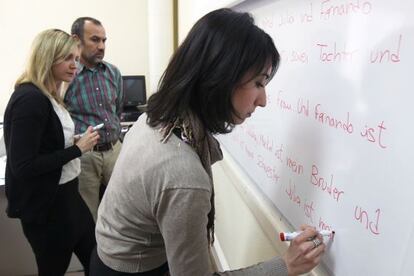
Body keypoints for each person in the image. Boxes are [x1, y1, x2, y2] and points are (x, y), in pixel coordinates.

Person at [90, 8, 326, 276]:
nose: (263, 100)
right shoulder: (182, 173)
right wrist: (285, 266)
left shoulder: (158, 117)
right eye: (259, 83)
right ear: (221, 77)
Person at [3, 29, 99, 276]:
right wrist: (77, 150)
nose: (74, 65)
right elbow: (23, 166)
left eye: (76, 58)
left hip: (68, 196)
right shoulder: (30, 100)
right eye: (67, 58)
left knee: (97, 260)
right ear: (47, 57)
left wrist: (72, 142)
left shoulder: (50, 95)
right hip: (47, 208)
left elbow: (46, 142)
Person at [64, 17, 124, 221]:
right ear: (76, 40)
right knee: (88, 215)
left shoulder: (112, 72)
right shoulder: (67, 76)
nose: (101, 46)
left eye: (104, 41)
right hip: (85, 156)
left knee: (123, 207)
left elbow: (118, 110)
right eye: (95, 40)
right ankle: (95, 253)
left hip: (114, 150)